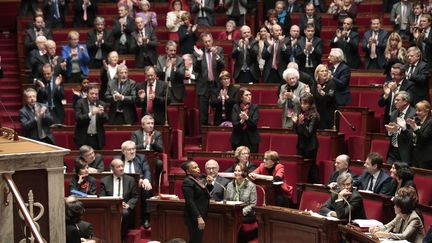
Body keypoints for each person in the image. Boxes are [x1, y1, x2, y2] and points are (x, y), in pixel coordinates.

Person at [115, 140, 153, 229]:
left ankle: (146, 217)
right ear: (123, 151)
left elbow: (147, 170)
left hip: (139, 185)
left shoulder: (141, 158)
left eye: (133, 149)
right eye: (129, 150)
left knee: (147, 188)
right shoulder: (117, 160)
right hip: (124, 184)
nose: (132, 152)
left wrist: (146, 180)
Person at [100, 159, 138, 239]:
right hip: (110, 206)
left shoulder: (130, 180)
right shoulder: (104, 181)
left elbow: (135, 196)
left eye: (122, 166)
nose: (121, 168)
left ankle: (121, 237)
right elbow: (102, 197)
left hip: (124, 206)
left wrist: (128, 204)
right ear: (112, 169)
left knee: (124, 213)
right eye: (118, 167)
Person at [194, 32, 225, 125]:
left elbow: (222, 66)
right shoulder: (198, 52)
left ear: (212, 41)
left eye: (209, 41)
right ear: (202, 43)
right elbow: (196, 69)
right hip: (203, 86)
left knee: (217, 110)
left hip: (215, 85)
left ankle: (216, 131)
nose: (207, 43)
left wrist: (216, 56)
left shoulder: (219, 50)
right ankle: (204, 134)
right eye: (205, 42)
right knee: (203, 113)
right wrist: (199, 57)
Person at [181, 161, 211, 243]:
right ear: (188, 171)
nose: (198, 169)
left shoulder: (196, 180)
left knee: (198, 239)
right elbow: (190, 201)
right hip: (193, 217)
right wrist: (198, 217)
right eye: (194, 167)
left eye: (197, 167)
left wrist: (209, 184)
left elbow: (204, 194)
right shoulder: (187, 182)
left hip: (200, 214)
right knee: (195, 240)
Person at [293, 93, 320, 183]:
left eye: (305, 104)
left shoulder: (314, 115)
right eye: (301, 103)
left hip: (310, 146)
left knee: (310, 168)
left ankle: (315, 186)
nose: (302, 106)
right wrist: (295, 123)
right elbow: (297, 132)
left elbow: (308, 133)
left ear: (310, 104)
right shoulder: (302, 113)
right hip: (301, 145)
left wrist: (302, 123)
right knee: (301, 168)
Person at [384, 91, 416, 164]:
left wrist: (400, 129)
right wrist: (390, 131)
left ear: (405, 101)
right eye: (395, 99)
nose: (395, 102)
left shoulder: (414, 114)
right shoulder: (394, 113)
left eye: (398, 100)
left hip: (405, 152)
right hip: (392, 151)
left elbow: (413, 136)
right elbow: (388, 133)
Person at [74, 84, 108, 150]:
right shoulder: (80, 103)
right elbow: (77, 118)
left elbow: (106, 120)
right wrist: (91, 114)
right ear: (87, 93)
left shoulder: (102, 104)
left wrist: (102, 114)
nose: (94, 96)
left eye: (96, 94)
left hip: (97, 138)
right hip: (83, 137)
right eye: (92, 94)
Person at [231, 88, 260, 153]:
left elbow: (254, 125)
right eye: (246, 95)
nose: (249, 96)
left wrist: (247, 118)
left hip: (251, 140)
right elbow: (235, 124)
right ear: (241, 97)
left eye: (250, 94)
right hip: (238, 139)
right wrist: (242, 120)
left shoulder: (255, 107)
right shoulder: (236, 107)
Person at [406, 100, 432, 169]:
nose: (417, 113)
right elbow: (411, 135)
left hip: (426, 157)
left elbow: (423, 138)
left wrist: (415, 128)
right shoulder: (416, 120)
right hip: (414, 155)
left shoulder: (430, 122)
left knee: (423, 178)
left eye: (419, 111)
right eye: (416, 110)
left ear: (426, 111)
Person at [311, 64, 337, 129]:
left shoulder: (331, 83)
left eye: (326, 71)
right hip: (318, 113)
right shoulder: (314, 84)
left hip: (328, 114)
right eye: (322, 71)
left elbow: (330, 96)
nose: (324, 73)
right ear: (317, 73)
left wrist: (321, 92)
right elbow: (313, 98)